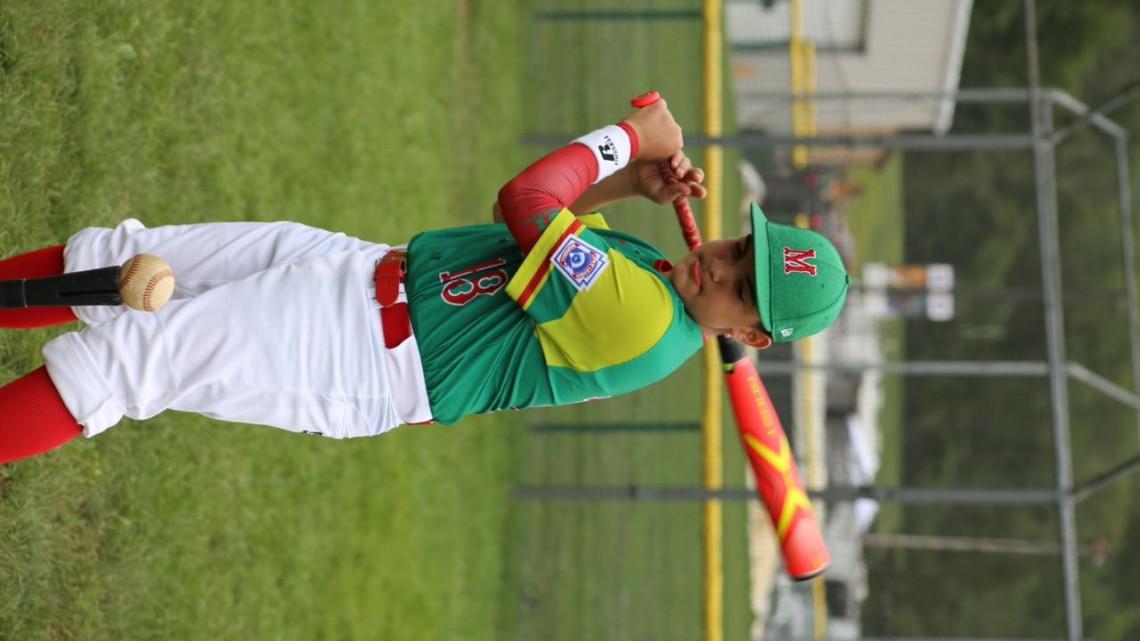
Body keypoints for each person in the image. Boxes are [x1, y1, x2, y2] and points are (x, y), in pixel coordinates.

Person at [0, 99, 848, 463]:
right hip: (360, 272)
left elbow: (525, 200)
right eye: (742, 248)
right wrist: (631, 184)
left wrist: (628, 137)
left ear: (748, 334)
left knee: (123, 362)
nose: (722, 263)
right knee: (119, 260)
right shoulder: (661, 280)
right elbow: (538, 232)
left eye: (742, 288)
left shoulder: (645, 321)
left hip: (353, 355)